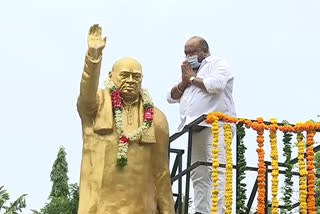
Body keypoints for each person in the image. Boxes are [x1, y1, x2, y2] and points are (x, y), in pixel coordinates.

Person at [77, 24, 175, 214]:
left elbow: (161, 173)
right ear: (110, 76)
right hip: (98, 206)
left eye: (136, 76)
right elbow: (86, 92)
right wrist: (93, 57)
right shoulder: (97, 104)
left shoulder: (156, 118)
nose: (130, 80)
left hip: (141, 206)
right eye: (124, 75)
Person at [167, 36, 236, 214]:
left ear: (204, 51)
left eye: (193, 52)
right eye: (186, 52)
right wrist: (185, 80)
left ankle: (218, 211)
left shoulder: (217, 63)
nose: (188, 56)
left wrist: (191, 78)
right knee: (197, 172)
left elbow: (216, 85)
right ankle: (201, 210)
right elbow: (170, 97)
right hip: (195, 128)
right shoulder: (190, 73)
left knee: (217, 169)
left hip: (217, 125)